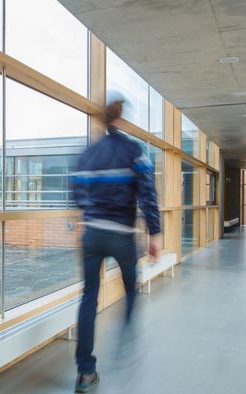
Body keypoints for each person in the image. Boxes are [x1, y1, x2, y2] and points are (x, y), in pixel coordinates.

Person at [71, 100, 162, 392]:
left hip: (93, 235)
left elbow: (75, 191)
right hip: (122, 235)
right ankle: (124, 341)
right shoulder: (134, 150)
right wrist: (154, 233)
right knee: (130, 289)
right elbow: (147, 191)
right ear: (121, 119)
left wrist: (85, 219)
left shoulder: (87, 154)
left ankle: (85, 371)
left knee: (88, 298)